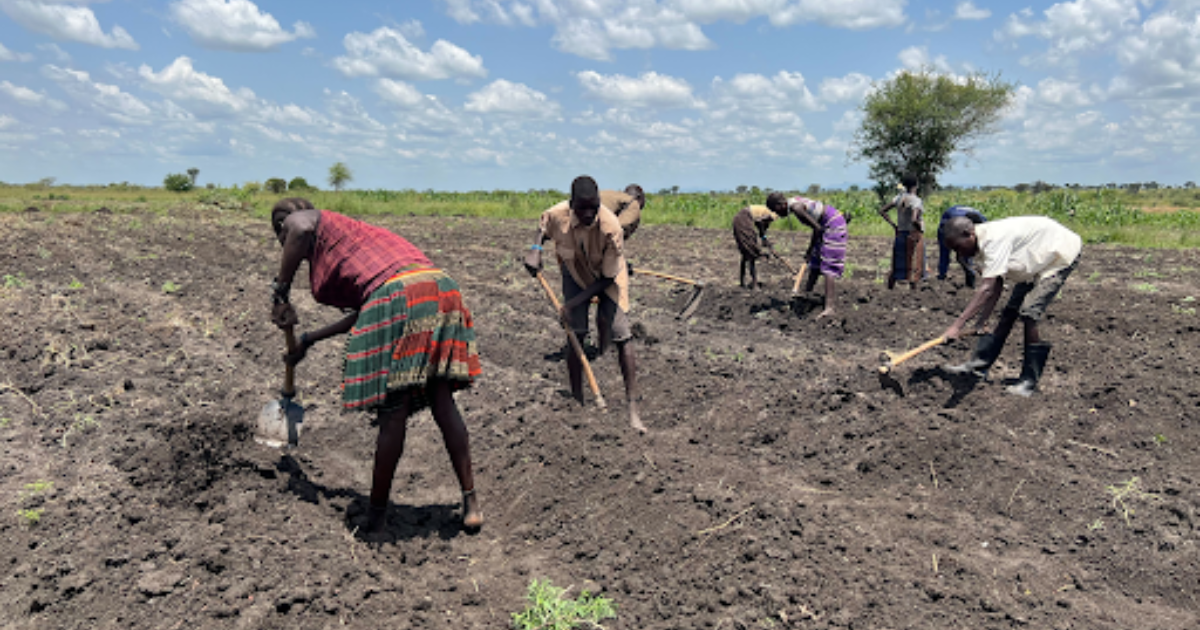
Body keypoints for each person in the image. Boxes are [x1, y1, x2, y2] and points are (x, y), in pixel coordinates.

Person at [269, 198, 484, 534]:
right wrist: (308, 341)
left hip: (401, 295)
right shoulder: (351, 240)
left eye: (284, 242)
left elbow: (299, 226)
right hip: (439, 288)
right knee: (442, 400)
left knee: (393, 412)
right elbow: (367, 308)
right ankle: (471, 505)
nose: (290, 251)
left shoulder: (308, 222)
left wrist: (280, 292)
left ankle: (376, 515)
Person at [525, 176, 646, 434]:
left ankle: (633, 410)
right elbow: (543, 226)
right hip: (574, 270)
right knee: (575, 334)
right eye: (583, 208)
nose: (590, 214)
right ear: (572, 205)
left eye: (594, 206)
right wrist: (535, 249)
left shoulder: (611, 227)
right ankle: (578, 401)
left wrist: (572, 304)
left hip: (606, 277)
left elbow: (606, 278)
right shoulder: (558, 215)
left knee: (621, 334)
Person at [940, 215, 1082, 396]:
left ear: (969, 234)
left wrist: (956, 326)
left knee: (1029, 313)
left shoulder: (993, 240)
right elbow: (996, 285)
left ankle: (1029, 382)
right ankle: (978, 367)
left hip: (1058, 255)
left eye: (958, 247)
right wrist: (982, 321)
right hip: (1034, 258)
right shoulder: (980, 244)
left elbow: (986, 289)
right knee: (1009, 313)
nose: (958, 254)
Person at [766, 193, 848, 319]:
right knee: (815, 262)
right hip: (825, 223)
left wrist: (809, 249)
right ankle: (806, 293)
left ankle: (829, 308)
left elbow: (817, 228)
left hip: (832, 223)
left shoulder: (796, 209)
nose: (777, 214)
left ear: (781, 205)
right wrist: (812, 251)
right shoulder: (792, 203)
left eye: (775, 210)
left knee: (828, 264)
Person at [878, 174, 926, 290]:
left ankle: (890, 289)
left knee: (897, 263)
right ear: (916, 185)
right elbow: (914, 218)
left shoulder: (898, 198)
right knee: (914, 262)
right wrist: (919, 227)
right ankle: (913, 291)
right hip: (912, 234)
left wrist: (894, 225)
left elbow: (882, 211)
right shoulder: (916, 201)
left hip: (900, 233)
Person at [732, 203, 786, 289]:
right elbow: (759, 222)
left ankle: (742, 281)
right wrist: (763, 239)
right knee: (750, 251)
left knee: (746, 252)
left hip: (739, 219)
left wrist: (764, 238)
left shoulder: (769, 213)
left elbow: (762, 227)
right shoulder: (773, 214)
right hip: (744, 219)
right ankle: (754, 283)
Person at [937, 205, 987, 287]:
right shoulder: (957, 222)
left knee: (968, 251)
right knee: (945, 251)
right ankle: (942, 275)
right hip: (947, 227)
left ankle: (970, 274)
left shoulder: (984, 222)